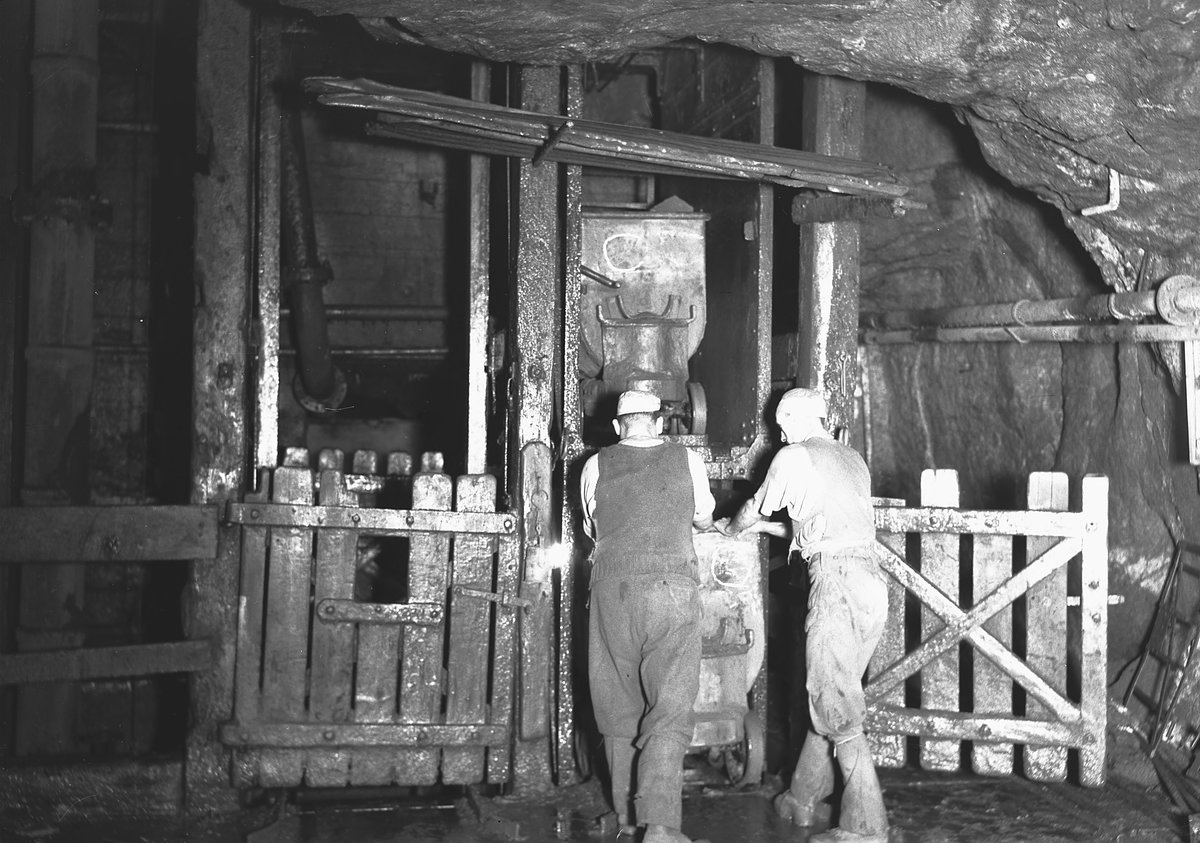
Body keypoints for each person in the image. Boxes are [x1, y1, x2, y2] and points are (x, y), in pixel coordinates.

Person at [717, 387, 889, 843]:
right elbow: (802, 524)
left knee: (836, 704)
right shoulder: (850, 457)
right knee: (831, 689)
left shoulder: (793, 456)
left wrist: (729, 528)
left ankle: (866, 828)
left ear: (788, 420)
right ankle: (803, 798)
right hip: (871, 582)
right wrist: (760, 525)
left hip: (835, 584)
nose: (779, 430)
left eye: (780, 422)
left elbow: (754, 509)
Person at [580, 389, 716, 843]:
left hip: (612, 593)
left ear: (617, 428)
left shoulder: (595, 464)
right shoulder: (687, 460)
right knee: (670, 705)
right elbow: (702, 517)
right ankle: (659, 827)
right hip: (672, 591)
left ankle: (626, 823)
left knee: (616, 707)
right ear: (659, 423)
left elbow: (590, 527)